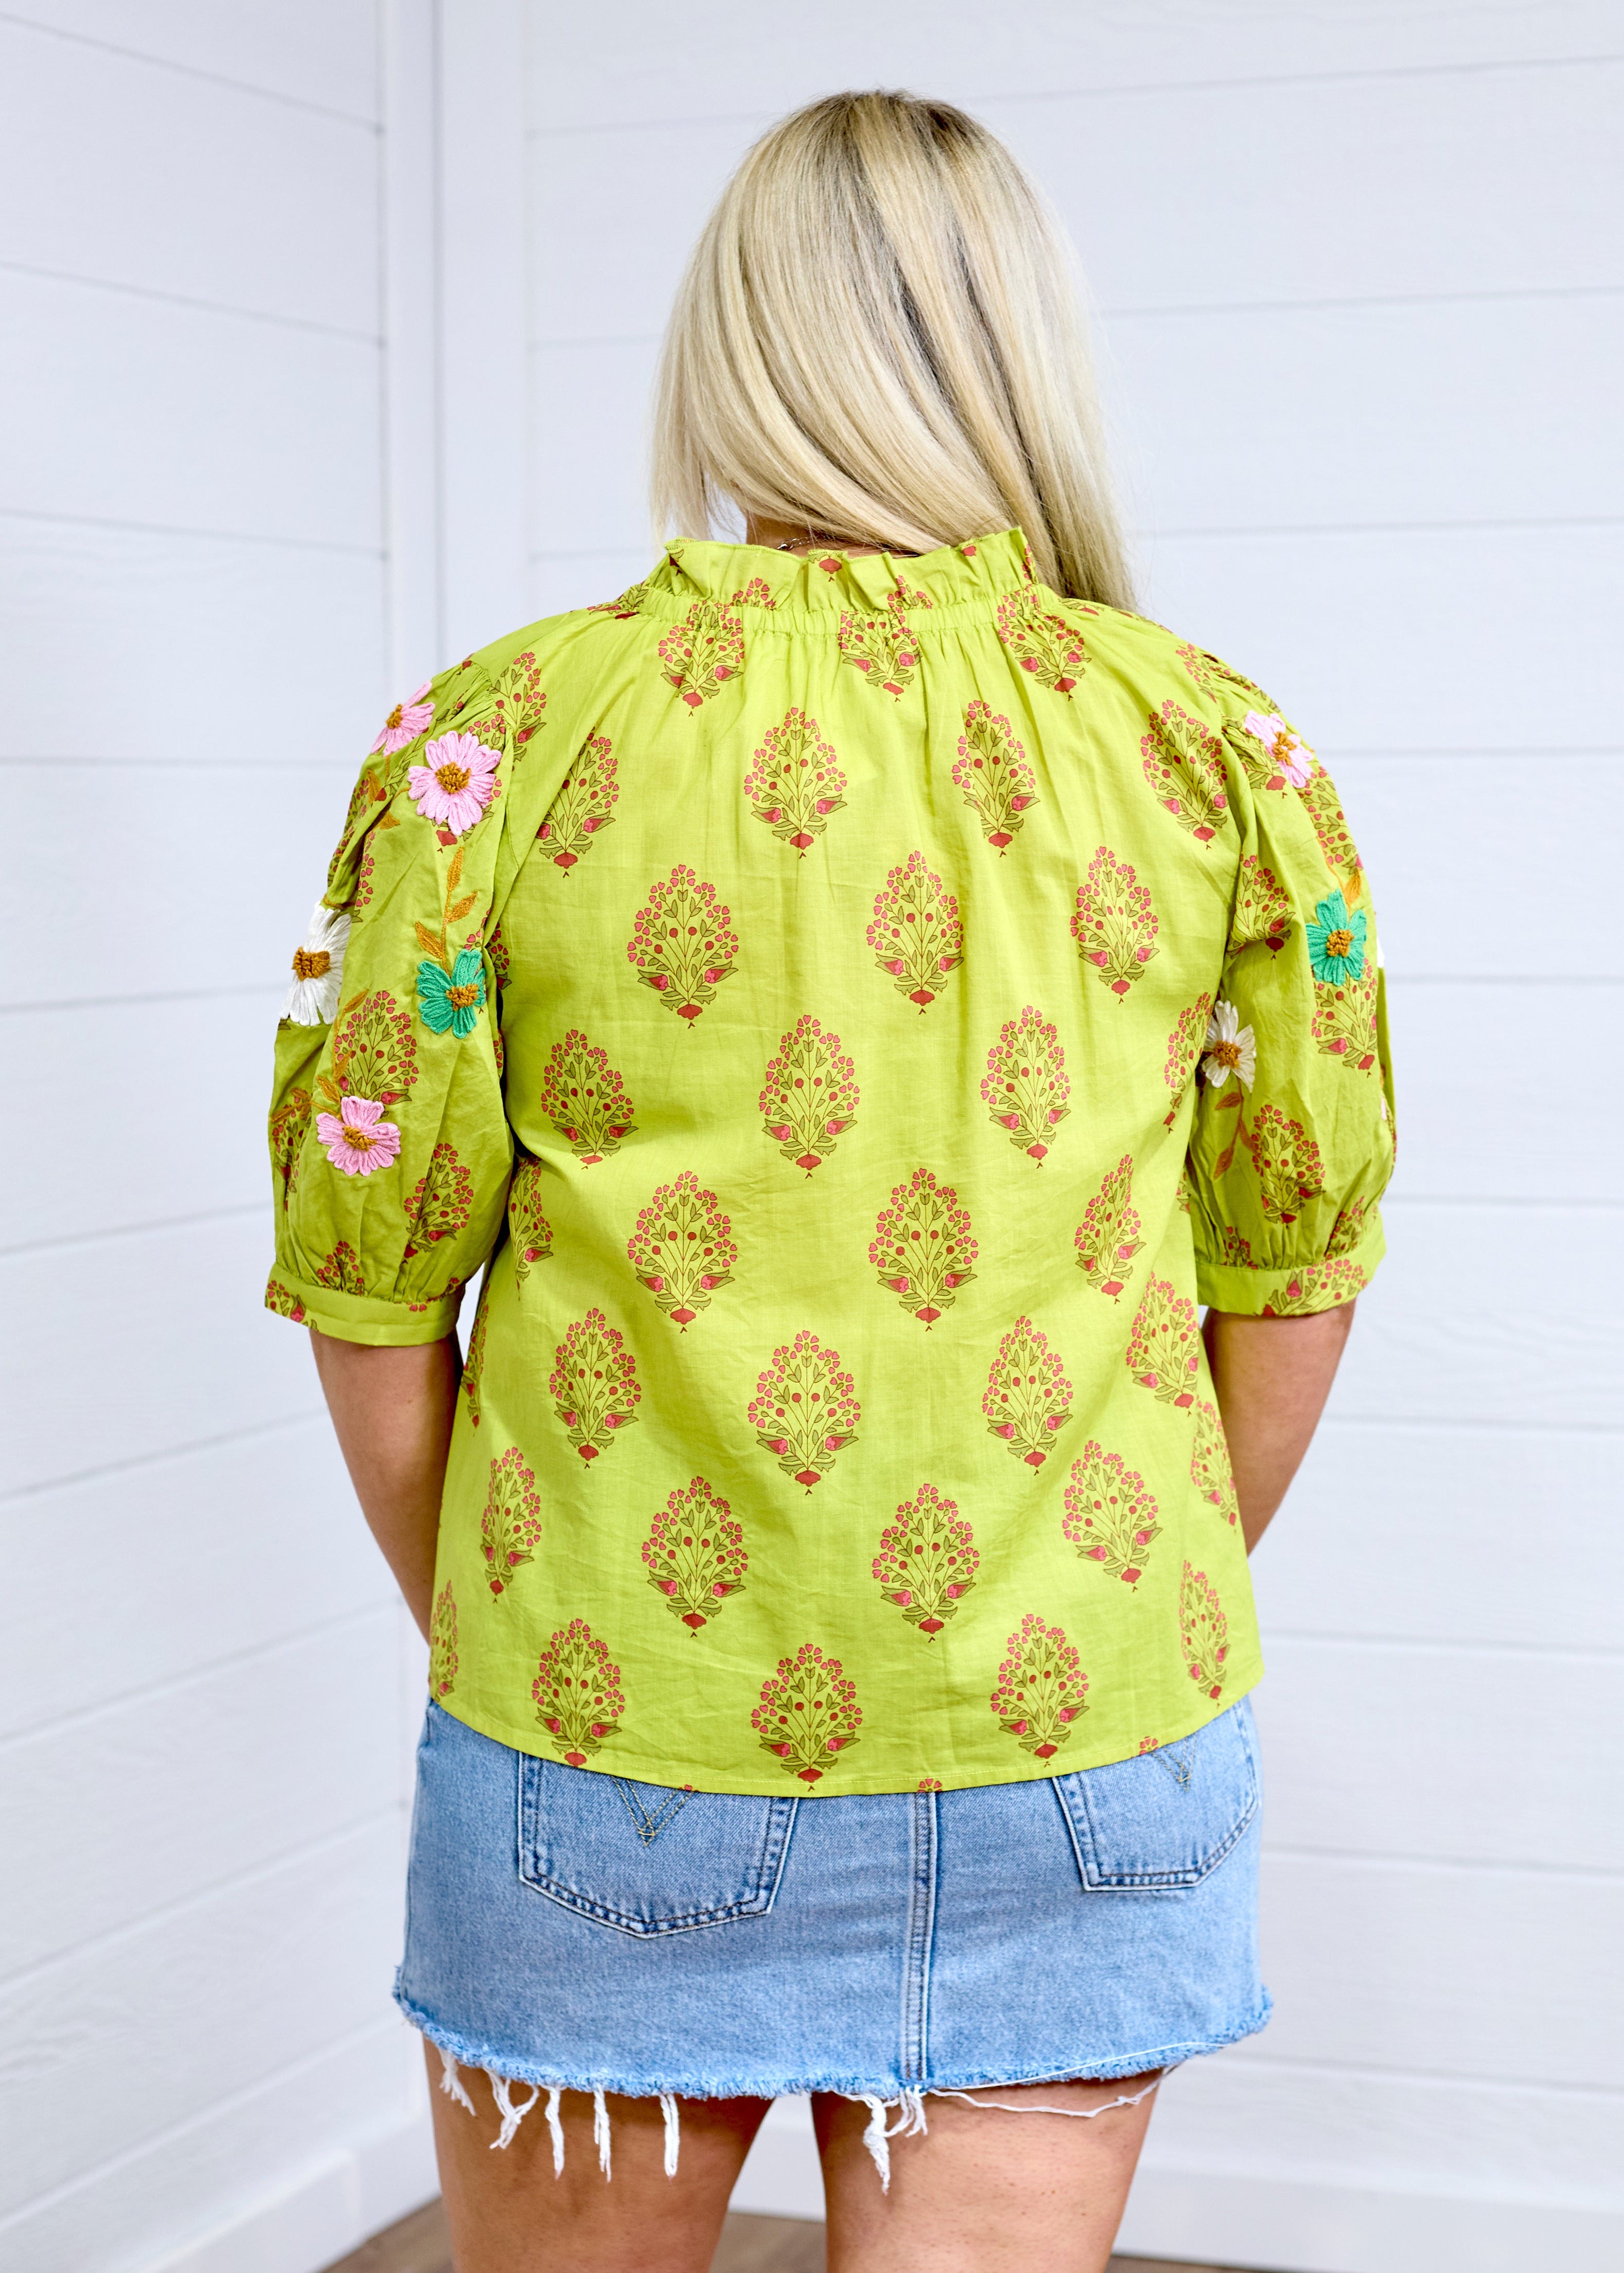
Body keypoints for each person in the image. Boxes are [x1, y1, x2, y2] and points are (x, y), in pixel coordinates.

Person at [265, 89, 1393, 2273]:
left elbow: (371, 1294)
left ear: (730, 346)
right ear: (1025, 354)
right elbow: (1295, 1274)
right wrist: (1078, 1606)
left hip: (603, 1733)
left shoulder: (497, 747)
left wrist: (529, 1631)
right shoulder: (1218, 752)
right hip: (1083, 1742)